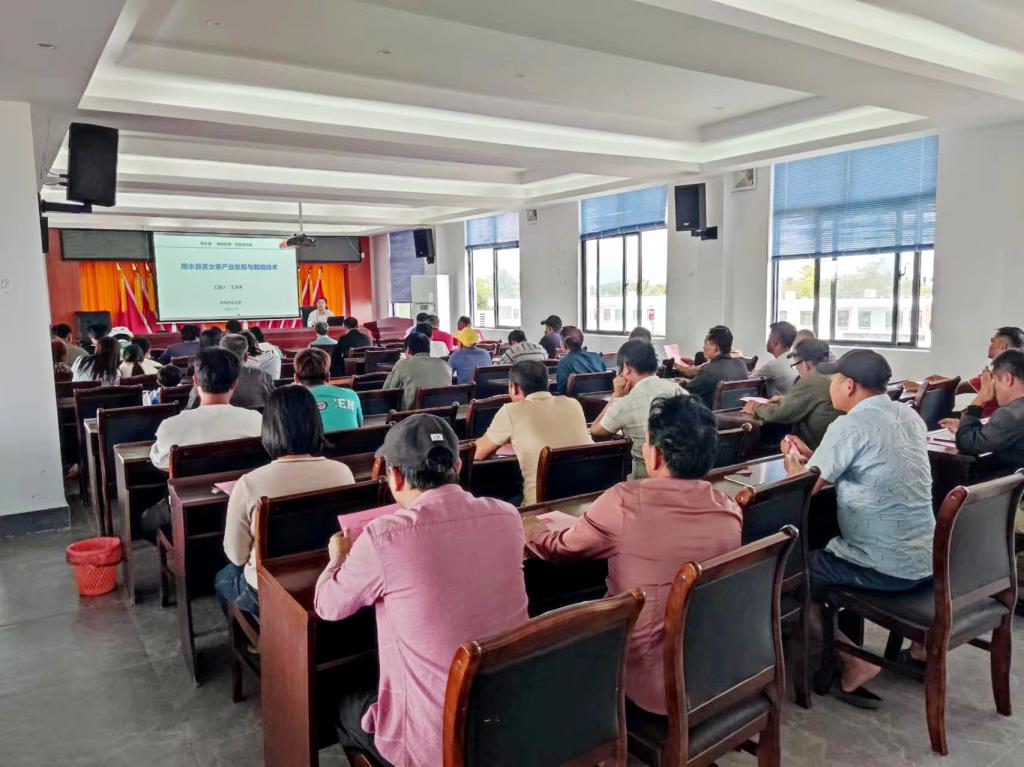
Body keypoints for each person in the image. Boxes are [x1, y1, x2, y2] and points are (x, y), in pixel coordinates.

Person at [315, 414, 529, 767]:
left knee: (343, 707)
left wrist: (337, 557)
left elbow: (328, 605)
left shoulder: (384, 535)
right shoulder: (507, 516)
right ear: (457, 466)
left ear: (395, 476)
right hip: (510, 720)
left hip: (434, 744)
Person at [524, 395, 741, 715]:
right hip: (714, 670)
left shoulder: (624, 501)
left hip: (646, 680)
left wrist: (527, 527)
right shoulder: (729, 509)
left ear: (655, 454)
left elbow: (559, 548)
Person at [783, 349, 934, 707]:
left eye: (834, 380)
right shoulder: (908, 415)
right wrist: (815, 456)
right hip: (928, 559)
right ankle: (919, 648)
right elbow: (867, 463)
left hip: (881, 566)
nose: (831, 386)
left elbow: (804, 488)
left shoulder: (849, 425)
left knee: (789, 576)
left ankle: (854, 661)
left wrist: (792, 464)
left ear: (849, 385)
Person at [216, 385, 355, 616]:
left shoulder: (249, 484)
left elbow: (237, 556)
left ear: (269, 428)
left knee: (222, 580)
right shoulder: (342, 472)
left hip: (269, 589)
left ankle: (258, 632)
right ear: (315, 423)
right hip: (328, 576)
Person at [141, 348, 263, 541]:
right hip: (244, 509)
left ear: (195, 381)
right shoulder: (257, 420)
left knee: (146, 521)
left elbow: (161, 463)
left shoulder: (172, 425)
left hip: (191, 515)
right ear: (235, 383)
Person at [475, 360, 592, 505]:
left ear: (514, 388)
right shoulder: (573, 404)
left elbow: (476, 453)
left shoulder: (511, 411)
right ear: (547, 384)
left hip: (538, 509)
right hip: (585, 501)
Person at [591, 340, 685, 478]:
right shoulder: (680, 390)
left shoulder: (626, 402)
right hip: (683, 477)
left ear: (626, 367)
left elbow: (596, 433)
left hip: (643, 481)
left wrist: (616, 396)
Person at [744, 338, 842, 449]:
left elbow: (781, 413)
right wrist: (787, 399)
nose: (797, 370)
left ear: (806, 364)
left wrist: (755, 407)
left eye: (796, 365)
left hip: (813, 447)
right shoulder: (832, 375)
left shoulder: (812, 380)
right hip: (830, 443)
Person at [941, 349, 1024, 474]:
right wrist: (966, 428)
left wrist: (979, 399)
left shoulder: (1011, 414)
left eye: (995, 381)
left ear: (1008, 379)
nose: (993, 388)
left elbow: (967, 444)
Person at [185, 334, 274, 410]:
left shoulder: (206, 376)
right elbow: (273, 406)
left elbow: (191, 407)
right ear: (246, 356)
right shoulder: (263, 377)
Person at [956, 327, 1024, 418]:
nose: (989, 345)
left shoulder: (992, 376)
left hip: (989, 423)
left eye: (992, 342)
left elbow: (957, 388)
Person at [675, 326, 748, 405]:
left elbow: (687, 391)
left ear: (716, 348)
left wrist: (682, 383)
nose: (703, 347)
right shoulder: (741, 365)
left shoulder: (709, 370)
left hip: (708, 411)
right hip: (735, 411)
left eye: (706, 343)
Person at [294, 348, 363, 431]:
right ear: (328, 376)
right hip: (351, 439)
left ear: (296, 378)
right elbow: (359, 425)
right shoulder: (351, 395)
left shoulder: (290, 404)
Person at [382, 333, 454, 410]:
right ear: (428, 349)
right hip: (444, 415)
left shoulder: (402, 365)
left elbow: (387, 392)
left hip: (413, 416)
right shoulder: (445, 365)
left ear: (408, 349)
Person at [752, 321, 799, 396]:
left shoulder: (772, 366)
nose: (767, 341)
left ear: (775, 341)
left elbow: (749, 382)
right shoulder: (797, 360)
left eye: (769, 337)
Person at [554, 325, 605, 393]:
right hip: (601, 398)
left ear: (565, 343)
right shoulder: (597, 357)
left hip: (574, 399)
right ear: (581, 340)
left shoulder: (564, 363)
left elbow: (561, 390)